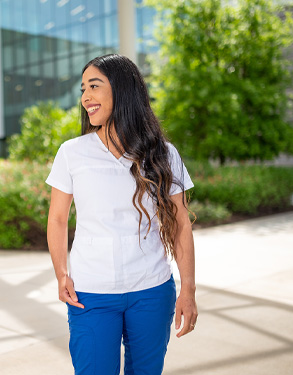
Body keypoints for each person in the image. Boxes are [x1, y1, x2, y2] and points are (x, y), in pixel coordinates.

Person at [46, 54, 198, 375]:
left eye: (94, 86)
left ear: (122, 90)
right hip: (91, 292)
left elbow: (181, 223)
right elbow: (58, 219)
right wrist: (62, 274)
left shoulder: (163, 153)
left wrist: (188, 289)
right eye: (83, 88)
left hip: (152, 291)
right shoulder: (72, 152)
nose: (85, 97)